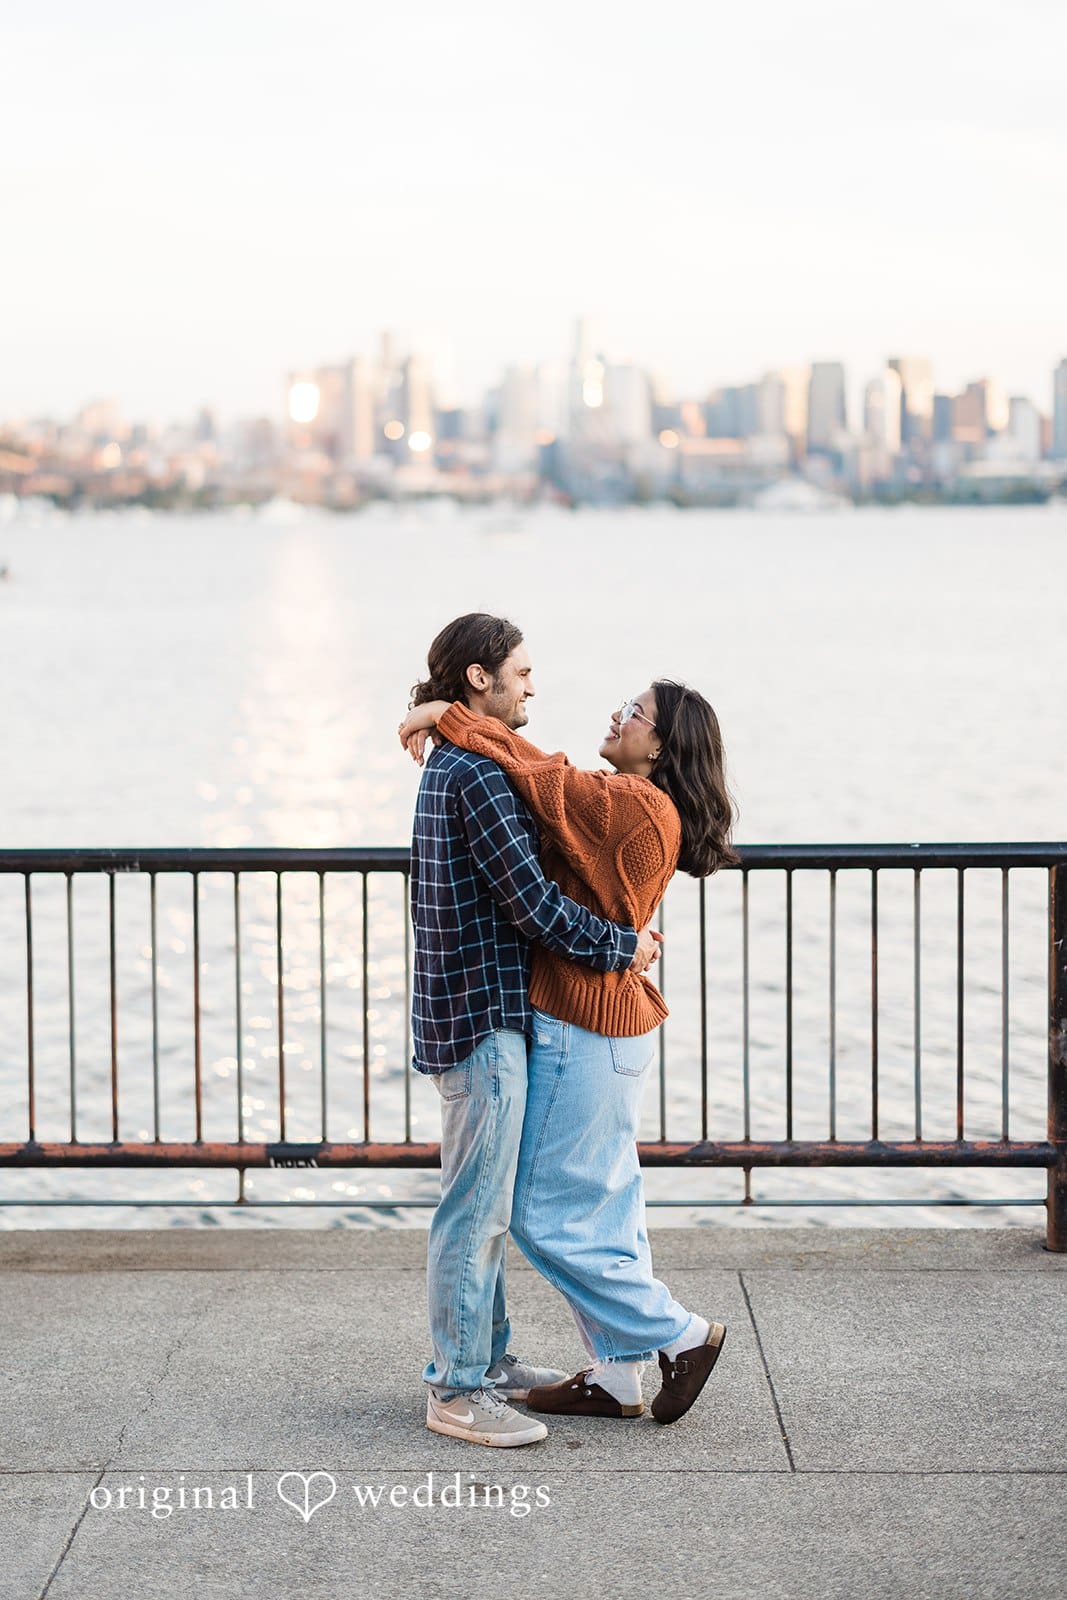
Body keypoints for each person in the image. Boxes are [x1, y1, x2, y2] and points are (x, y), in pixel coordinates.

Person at [399, 677, 738, 1424]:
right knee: (605, 1204)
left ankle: (677, 1334)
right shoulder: (640, 803)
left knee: (534, 1211)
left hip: (584, 1019)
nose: (617, 716)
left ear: (660, 744)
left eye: (635, 713)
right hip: (614, 1021)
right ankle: (617, 1377)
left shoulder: (630, 802)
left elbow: (534, 770)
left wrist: (444, 715)